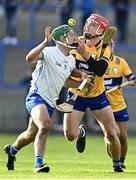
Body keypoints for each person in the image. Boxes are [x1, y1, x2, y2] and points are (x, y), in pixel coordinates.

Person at [4, 24, 87, 173]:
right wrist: (44, 43)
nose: (73, 37)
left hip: (50, 102)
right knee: (46, 125)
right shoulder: (49, 51)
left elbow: (65, 80)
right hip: (36, 96)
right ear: (61, 39)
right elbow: (29, 58)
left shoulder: (71, 60)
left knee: (30, 134)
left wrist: (82, 79)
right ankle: (38, 164)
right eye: (70, 35)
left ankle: (12, 150)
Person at [63, 13, 123, 172]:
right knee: (69, 134)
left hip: (97, 96)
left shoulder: (105, 46)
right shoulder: (76, 44)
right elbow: (66, 69)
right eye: (88, 23)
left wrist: (85, 54)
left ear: (100, 29)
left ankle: (117, 165)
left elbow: (101, 70)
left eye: (91, 24)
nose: (87, 26)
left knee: (111, 132)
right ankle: (81, 132)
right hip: (77, 95)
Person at [104, 40, 136, 169]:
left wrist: (132, 81)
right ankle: (115, 159)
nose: (107, 48)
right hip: (103, 106)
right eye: (104, 46)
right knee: (112, 134)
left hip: (119, 105)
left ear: (113, 46)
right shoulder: (96, 63)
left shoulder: (120, 62)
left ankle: (121, 161)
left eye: (109, 45)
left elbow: (131, 77)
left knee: (122, 136)